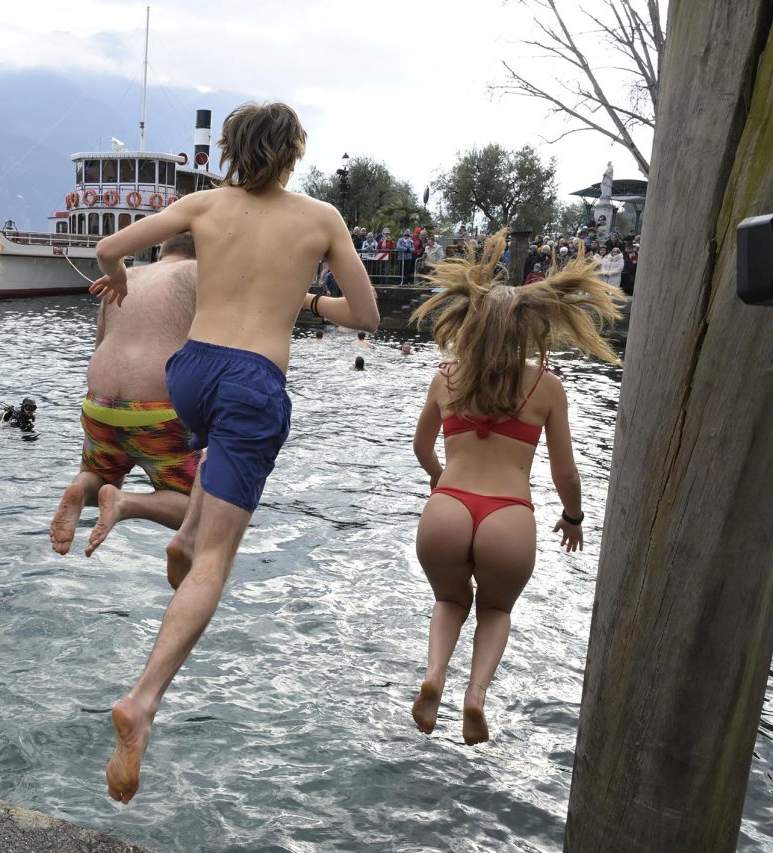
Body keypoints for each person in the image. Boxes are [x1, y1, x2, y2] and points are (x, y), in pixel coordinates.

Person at [87, 101, 379, 803]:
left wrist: (122, 281)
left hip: (189, 372)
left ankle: (183, 531)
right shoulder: (322, 218)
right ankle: (144, 700)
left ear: (231, 150)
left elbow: (108, 250)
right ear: (295, 151)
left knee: (210, 479)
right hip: (253, 377)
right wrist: (309, 304)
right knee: (221, 555)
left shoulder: (203, 205)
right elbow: (367, 316)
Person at [407, 231, 622, 745]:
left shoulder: (447, 378)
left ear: (472, 326)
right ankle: (476, 694)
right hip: (508, 515)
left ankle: (435, 672)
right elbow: (565, 473)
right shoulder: (545, 386)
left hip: (447, 508)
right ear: (528, 329)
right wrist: (573, 518)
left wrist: (443, 484)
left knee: (450, 601)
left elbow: (421, 448)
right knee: (496, 609)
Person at [49, 233, 200, 562]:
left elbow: (100, 344)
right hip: (158, 412)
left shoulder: (122, 277)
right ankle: (125, 502)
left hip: (99, 404)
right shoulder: (199, 275)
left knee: (99, 477)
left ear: (162, 251)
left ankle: (81, 488)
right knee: (201, 510)